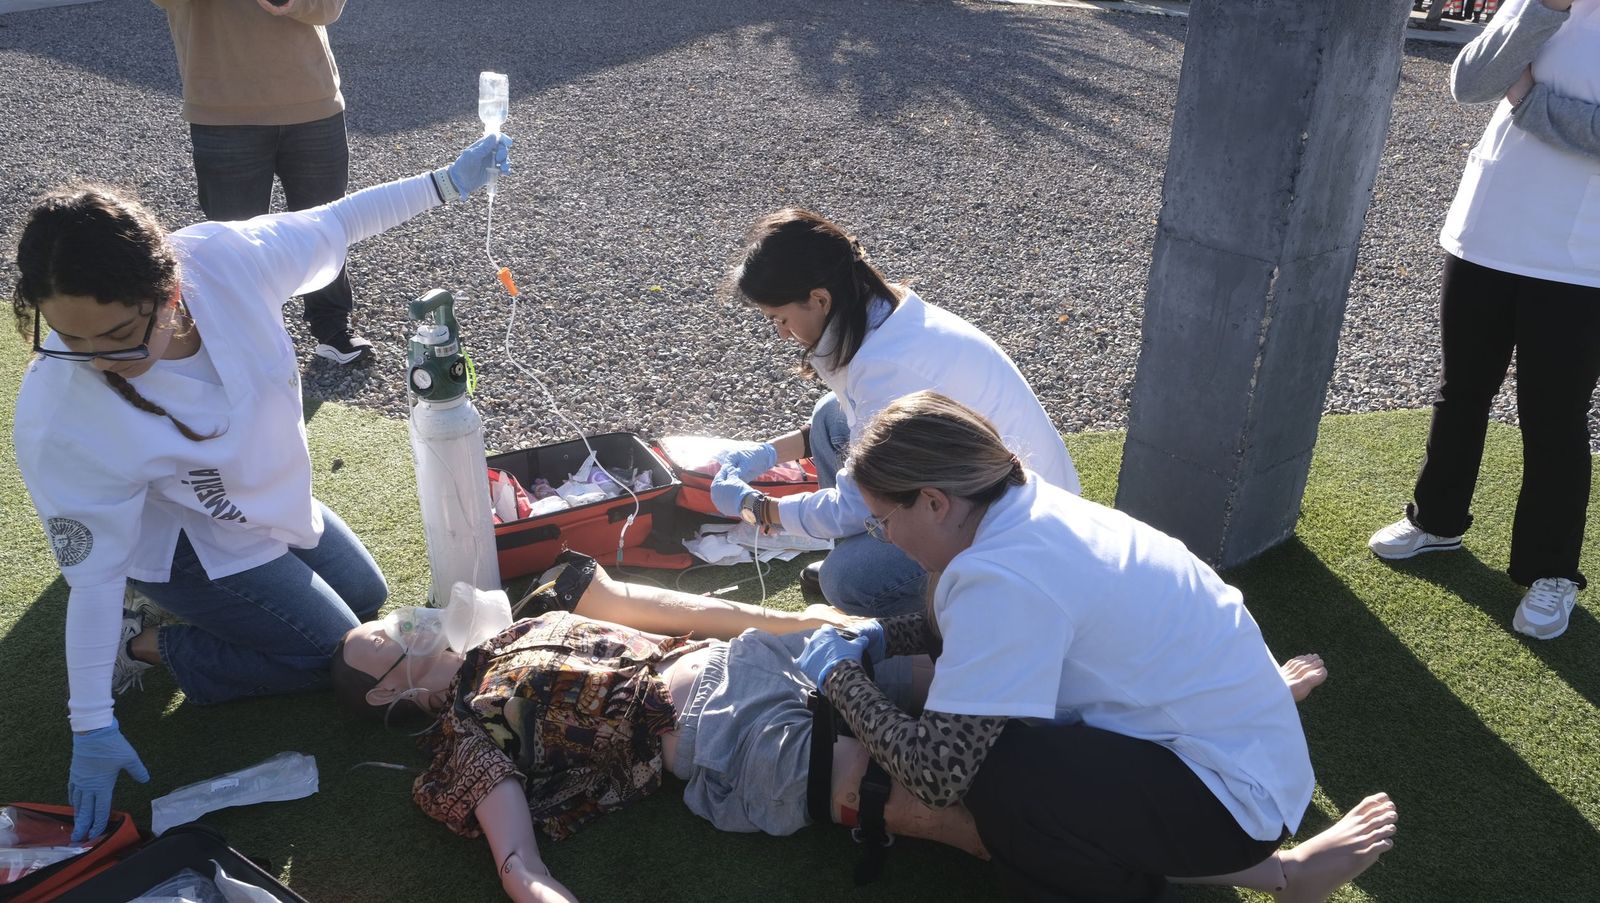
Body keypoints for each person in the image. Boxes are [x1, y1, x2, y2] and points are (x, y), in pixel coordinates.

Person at [9, 132, 512, 842]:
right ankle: (144, 642)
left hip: (268, 499)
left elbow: (336, 222)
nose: (96, 362)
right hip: (185, 542)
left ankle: (199, 618)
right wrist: (89, 721)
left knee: (367, 600)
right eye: (69, 338)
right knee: (341, 656)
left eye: (120, 334)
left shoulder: (225, 261)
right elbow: (89, 582)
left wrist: (448, 183)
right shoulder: (59, 410)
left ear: (171, 290)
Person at [331, 552, 1330, 903]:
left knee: (962, 672)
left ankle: (1203, 718)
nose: (399, 624)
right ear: (386, 692)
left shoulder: (536, 615)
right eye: (383, 640)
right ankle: (1269, 873)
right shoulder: (465, 734)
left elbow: (681, 617)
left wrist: (811, 628)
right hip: (722, 748)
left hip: (745, 666)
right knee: (944, 801)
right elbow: (520, 867)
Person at [795, 391, 1397, 903]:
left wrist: (840, 678)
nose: (885, 537)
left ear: (933, 501)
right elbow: (968, 633)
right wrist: (876, 638)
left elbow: (938, 774)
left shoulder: (1003, 579)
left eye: (882, 520)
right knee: (991, 729)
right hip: (1234, 739)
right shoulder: (1016, 502)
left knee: (1001, 777)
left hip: (1230, 802)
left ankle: (1165, 883)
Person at [708, 208, 1080, 618]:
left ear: (819, 299)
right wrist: (767, 453)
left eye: (780, 319)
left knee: (848, 581)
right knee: (830, 416)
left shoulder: (890, 369)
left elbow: (853, 505)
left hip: (1020, 540)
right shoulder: (882, 312)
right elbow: (851, 420)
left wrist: (756, 508)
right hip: (991, 491)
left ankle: (934, 607)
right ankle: (865, 551)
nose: (781, 333)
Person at [1368, 0, 1600, 641]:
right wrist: (1544, 13)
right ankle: (1436, 519)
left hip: (1582, 260)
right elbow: (1469, 82)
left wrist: (1525, 100)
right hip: (1485, 231)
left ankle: (1551, 571)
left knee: (1553, 416)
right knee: (1461, 390)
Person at [150, 0, 371, 365]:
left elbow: (330, 7)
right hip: (223, 111)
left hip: (313, 101)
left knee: (326, 225)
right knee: (230, 242)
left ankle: (332, 328)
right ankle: (246, 339)